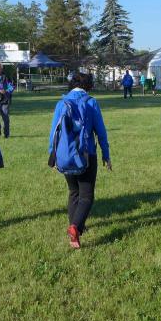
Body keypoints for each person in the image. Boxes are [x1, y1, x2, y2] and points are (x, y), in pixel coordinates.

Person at [48, 73, 112, 248]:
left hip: (65, 155)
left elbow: (54, 132)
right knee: (86, 195)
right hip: (87, 154)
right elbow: (101, 132)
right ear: (88, 86)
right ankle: (75, 227)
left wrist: (53, 156)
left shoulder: (61, 103)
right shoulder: (91, 102)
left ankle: (74, 230)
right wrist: (106, 154)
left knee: (73, 192)